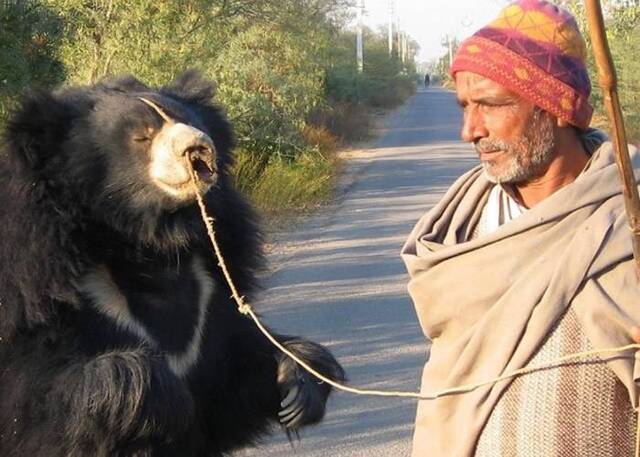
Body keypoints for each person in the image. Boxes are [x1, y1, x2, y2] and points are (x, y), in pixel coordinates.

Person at [401, 1, 640, 456]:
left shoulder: (627, 216)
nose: (469, 130)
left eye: (490, 105)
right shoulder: (460, 227)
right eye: (464, 107)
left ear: (556, 108)